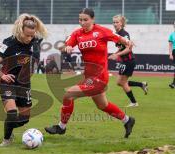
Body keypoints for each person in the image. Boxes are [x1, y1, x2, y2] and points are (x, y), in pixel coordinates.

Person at [45, 8, 135, 138]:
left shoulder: (102, 31)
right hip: (89, 76)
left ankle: (61, 127)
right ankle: (127, 120)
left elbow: (120, 38)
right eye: (80, 20)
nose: (82, 22)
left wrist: (128, 42)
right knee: (102, 105)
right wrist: (67, 47)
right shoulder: (77, 33)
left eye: (85, 20)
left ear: (93, 19)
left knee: (68, 95)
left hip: (100, 77)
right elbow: (66, 44)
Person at [0, 13, 47, 147]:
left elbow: (35, 61)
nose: (29, 38)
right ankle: (7, 138)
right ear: (20, 30)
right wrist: (2, 76)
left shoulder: (35, 42)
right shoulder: (8, 43)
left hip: (24, 84)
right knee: (11, 113)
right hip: (7, 82)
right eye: (27, 35)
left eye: (32, 35)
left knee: (24, 119)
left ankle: (9, 128)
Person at [108, 15, 148, 107]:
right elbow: (121, 48)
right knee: (119, 82)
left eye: (117, 22)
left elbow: (128, 49)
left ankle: (134, 102)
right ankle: (141, 84)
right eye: (113, 22)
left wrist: (117, 55)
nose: (115, 24)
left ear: (121, 23)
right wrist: (115, 53)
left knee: (122, 82)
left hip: (129, 61)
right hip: (124, 61)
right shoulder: (116, 34)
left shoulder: (124, 34)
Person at [168, 21, 175, 89]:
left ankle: (173, 83)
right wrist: (170, 54)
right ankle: (173, 83)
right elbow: (170, 45)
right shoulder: (172, 35)